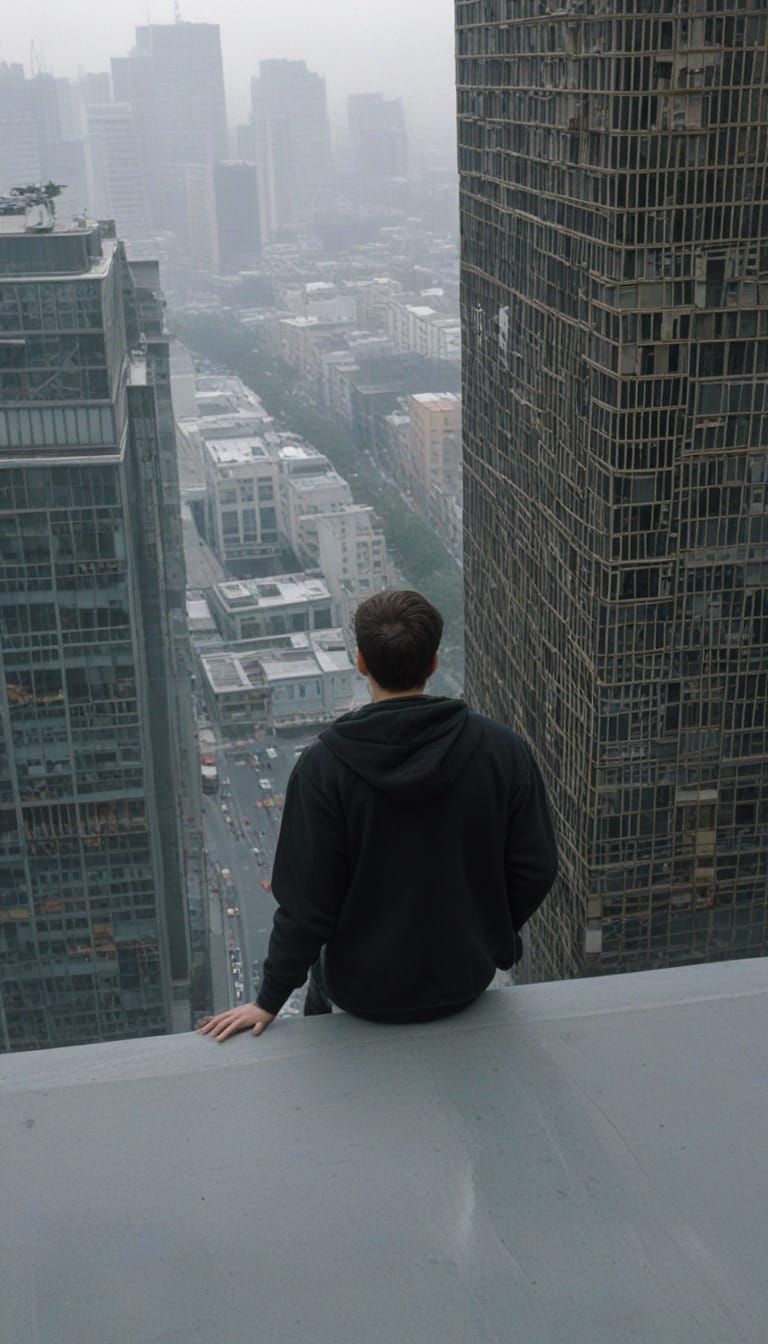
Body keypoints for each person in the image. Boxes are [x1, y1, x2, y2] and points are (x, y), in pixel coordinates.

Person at [197, 589, 558, 1043]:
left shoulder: (322, 769)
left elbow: (306, 906)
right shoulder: (502, 750)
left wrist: (268, 998)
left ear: (361, 662)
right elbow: (536, 866)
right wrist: (489, 935)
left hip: (361, 995)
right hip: (464, 981)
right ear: (433, 663)